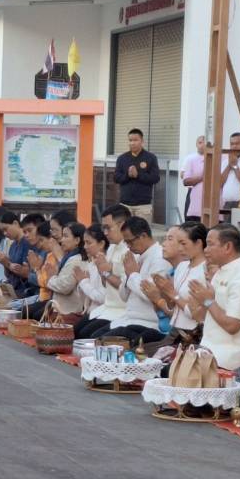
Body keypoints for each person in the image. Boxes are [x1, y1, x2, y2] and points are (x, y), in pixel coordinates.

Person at [186, 224, 240, 369]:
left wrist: (208, 301)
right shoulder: (221, 272)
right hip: (210, 352)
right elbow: (206, 315)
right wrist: (198, 303)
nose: (205, 250)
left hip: (231, 361)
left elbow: (232, 326)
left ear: (228, 247)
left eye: (210, 244)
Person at [81, 216, 168, 345]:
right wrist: (128, 276)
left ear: (143, 236)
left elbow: (150, 295)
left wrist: (132, 274)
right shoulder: (136, 256)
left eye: (130, 242)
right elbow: (124, 295)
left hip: (148, 322)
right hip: (128, 318)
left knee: (99, 343)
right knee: (92, 338)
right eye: (126, 242)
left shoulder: (159, 258)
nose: (128, 246)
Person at [73, 206, 131, 338]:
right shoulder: (111, 248)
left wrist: (106, 273)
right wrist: (102, 272)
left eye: (108, 227)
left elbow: (126, 287)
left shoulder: (129, 251)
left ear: (121, 225)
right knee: (76, 331)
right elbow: (106, 284)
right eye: (103, 228)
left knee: (86, 335)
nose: (105, 232)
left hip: (120, 310)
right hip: (106, 308)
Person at [148, 220, 208, 346]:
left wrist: (172, 293)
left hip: (192, 335)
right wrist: (162, 290)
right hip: (175, 331)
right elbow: (172, 307)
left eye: (183, 243)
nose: (180, 248)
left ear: (198, 243)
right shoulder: (182, 266)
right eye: (178, 243)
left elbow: (194, 314)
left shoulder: (205, 271)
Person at [114, 128, 160, 222]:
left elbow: (155, 178)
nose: (132, 143)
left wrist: (138, 175)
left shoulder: (150, 157)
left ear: (142, 141)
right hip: (125, 205)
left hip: (143, 205)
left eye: (135, 140)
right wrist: (128, 175)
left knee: (141, 230)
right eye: (130, 140)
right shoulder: (122, 158)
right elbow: (116, 178)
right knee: (123, 230)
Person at [180, 136, 207, 220]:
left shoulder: (212, 158)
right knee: (191, 217)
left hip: (208, 192)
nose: (202, 145)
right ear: (196, 144)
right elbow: (183, 175)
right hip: (193, 190)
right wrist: (200, 177)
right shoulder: (190, 158)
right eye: (200, 143)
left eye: (204, 143)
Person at [219, 132, 240, 215]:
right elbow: (220, 183)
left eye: (237, 144)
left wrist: (235, 166)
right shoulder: (225, 161)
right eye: (232, 144)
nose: (234, 146)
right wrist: (229, 165)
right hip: (227, 204)